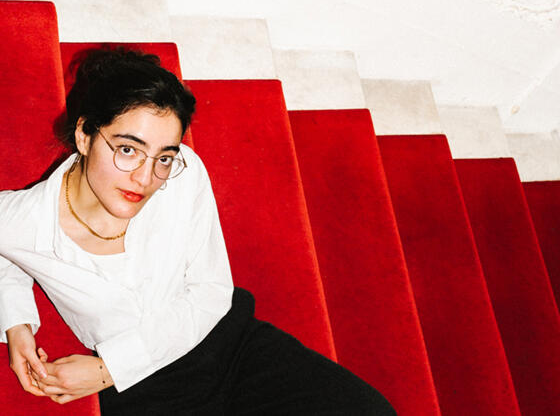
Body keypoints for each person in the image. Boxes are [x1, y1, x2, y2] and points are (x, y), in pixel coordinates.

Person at [0, 48, 396, 415]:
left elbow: (211, 293)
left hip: (227, 345)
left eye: (163, 156)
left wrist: (109, 369)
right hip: (146, 393)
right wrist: (17, 325)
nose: (145, 178)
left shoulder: (183, 174)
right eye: (127, 149)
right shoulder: (25, 218)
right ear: (85, 136)